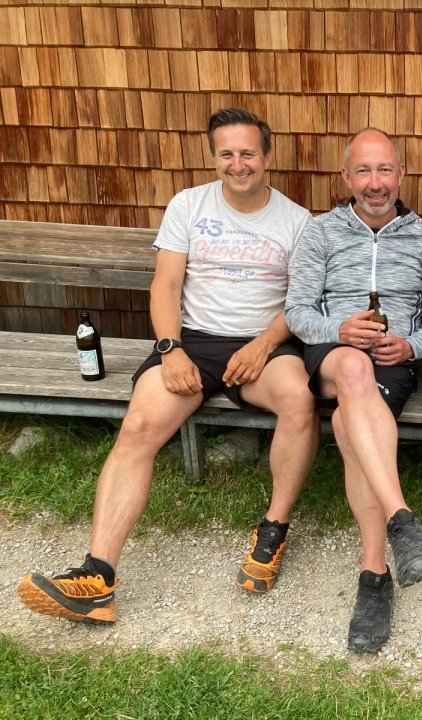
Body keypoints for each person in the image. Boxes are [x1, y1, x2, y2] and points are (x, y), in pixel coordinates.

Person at [18, 108, 319, 623]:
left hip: (263, 343)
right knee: (138, 427)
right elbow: (166, 285)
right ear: (214, 157)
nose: (238, 164)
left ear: (267, 156)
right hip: (192, 340)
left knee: (300, 399)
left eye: (248, 153)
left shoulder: (297, 221)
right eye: (227, 154)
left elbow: (302, 302)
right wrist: (170, 348)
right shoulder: (188, 205)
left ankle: (273, 530)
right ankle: (98, 577)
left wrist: (263, 344)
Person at [284, 128, 422, 653]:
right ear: (346, 177)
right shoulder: (321, 232)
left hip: (393, 362)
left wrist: (413, 345)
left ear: (401, 174)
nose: (375, 183)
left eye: (384, 170)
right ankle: (399, 520)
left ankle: (376, 573)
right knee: (353, 367)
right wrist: (339, 330)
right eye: (363, 171)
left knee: (344, 422)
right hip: (332, 354)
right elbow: (297, 312)